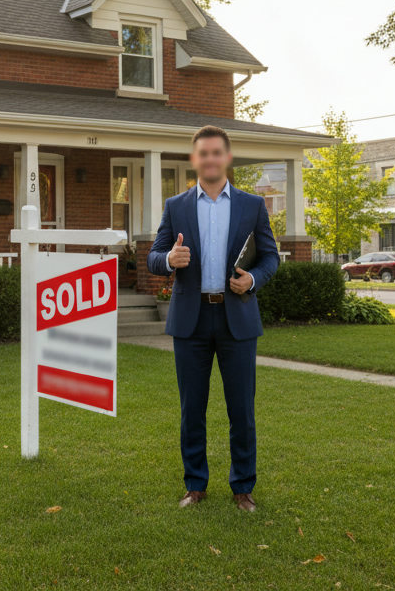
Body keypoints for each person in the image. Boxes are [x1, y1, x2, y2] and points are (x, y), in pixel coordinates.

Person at [147, 125, 279, 512]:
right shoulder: (177, 206)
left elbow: (270, 257)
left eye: (216, 152)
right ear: (195, 159)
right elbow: (154, 257)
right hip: (191, 319)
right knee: (192, 409)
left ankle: (242, 488)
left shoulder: (252, 205)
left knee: (242, 409)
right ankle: (195, 484)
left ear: (227, 157)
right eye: (203, 153)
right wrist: (169, 259)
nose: (209, 159)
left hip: (237, 317)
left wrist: (252, 279)